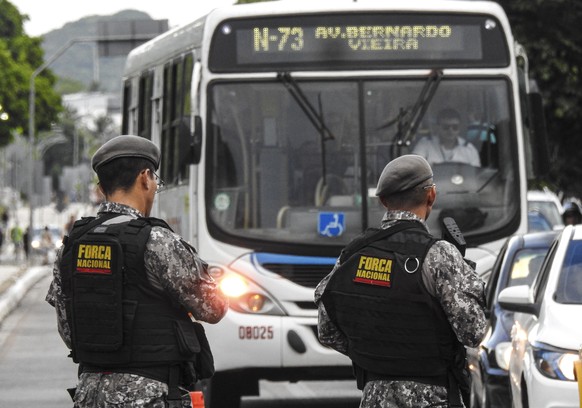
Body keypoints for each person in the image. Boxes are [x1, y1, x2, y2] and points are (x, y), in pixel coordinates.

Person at [46, 135, 229, 407]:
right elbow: (213, 308)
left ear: (100, 187)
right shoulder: (156, 241)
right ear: (145, 177)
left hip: (89, 396)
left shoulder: (70, 247)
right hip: (150, 395)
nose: (155, 187)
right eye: (156, 180)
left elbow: (67, 330)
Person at [315, 154, 487, 407]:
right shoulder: (439, 254)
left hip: (374, 396)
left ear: (384, 201)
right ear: (431, 196)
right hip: (434, 398)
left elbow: (327, 331)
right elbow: (473, 332)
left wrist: (372, 356)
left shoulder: (353, 254)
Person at [412, 108, 481, 167]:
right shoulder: (425, 144)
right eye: (446, 127)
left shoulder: (469, 149)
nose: (450, 130)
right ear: (438, 127)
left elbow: (475, 175)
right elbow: (414, 168)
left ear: (459, 128)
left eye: (455, 127)